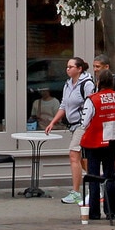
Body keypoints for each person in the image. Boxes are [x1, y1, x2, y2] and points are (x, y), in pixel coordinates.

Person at [79, 65, 115, 223]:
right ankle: (111, 211)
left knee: (93, 177)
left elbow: (84, 122)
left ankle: (93, 213)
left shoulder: (93, 99)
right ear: (112, 82)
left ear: (98, 82)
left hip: (94, 142)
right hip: (114, 142)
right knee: (110, 175)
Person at [46, 57, 95, 206]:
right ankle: (98, 180)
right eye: (67, 67)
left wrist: (86, 124)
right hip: (73, 125)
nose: (68, 69)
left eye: (71, 67)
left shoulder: (87, 84)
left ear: (79, 69)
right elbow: (64, 105)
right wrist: (53, 122)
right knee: (81, 159)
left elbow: (92, 103)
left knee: (73, 154)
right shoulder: (68, 84)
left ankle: (76, 193)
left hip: (83, 124)